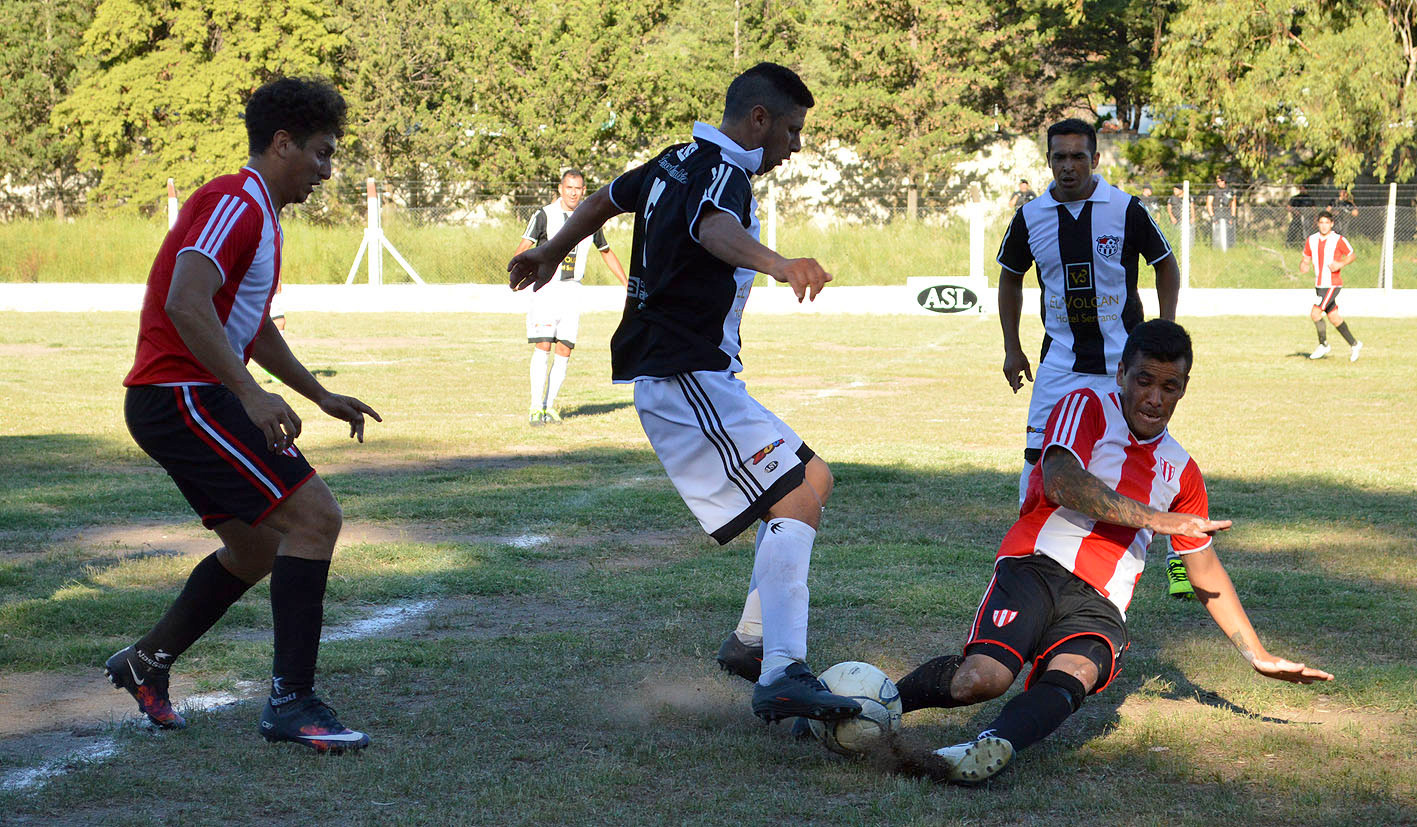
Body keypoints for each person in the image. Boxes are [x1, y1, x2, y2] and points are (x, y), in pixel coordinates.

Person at [508, 62, 861, 725]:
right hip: (682, 372)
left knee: (814, 477)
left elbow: (600, 201)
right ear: (758, 120)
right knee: (793, 502)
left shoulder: (677, 158)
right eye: (790, 130)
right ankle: (784, 671)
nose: (793, 145)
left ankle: (750, 643)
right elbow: (712, 230)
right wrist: (780, 262)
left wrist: (552, 250)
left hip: (694, 371)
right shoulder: (723, 175)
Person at [890, 320, 1333, 785]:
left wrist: (1256, 654)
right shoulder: (1085, 406)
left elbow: (1202, 566)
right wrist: (1156, 519)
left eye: (1169, 386)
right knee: (981, 680)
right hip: (1038, 565)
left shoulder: (1183, 470)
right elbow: (1062, 481)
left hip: (1102, 604)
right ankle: (876, 705)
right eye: (1144, 380)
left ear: (1184, 388)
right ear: (1121, 373)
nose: (1155, 398)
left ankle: (986, 747)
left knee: (1076, 671)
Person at [109, 77, 380, 753]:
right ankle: (292, 701)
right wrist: (249, 393)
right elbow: (186, 302)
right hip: (182, 394)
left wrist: (319, 393)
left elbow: (248, 326)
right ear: (281, 143)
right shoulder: (236, 200)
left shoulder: (260, 212)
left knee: (259, 546)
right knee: (315, 517)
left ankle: (146, 661)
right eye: (320, 153)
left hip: (191, 394)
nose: (326, 170)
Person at [996, 118, 1192, 599]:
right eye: (1059, 157)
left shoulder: (1125, 209)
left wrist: (1162, 332)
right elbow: (1009, 277)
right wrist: (1012, 346)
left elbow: (1166, 264)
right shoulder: (1031, 216)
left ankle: (1179, 559)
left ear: (1095, 159)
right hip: (1059, 363)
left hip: (1123, 365)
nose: (1068, 166)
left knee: (1148, 455)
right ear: (1048, 161)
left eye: (1078, 156)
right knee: (1038, 458)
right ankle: (1031, 556)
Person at [512, 169, 629, 425]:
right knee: (543, 345)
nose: (574, 193)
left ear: (583, 190)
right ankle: (535, 407)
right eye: (569, 188)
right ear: (560, 189)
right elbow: (524, 247)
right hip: (547, 288)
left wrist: (626, 283)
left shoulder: (590, 218)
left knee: (564, 348)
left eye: (578, 188)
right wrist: (520, 267)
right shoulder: (545, 215)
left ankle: (549, 406)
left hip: (572, 290)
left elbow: (606, 251)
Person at [1300, 210, 1362, 361]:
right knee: (1334, 317)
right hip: (1320, 285)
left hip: (1332, 284)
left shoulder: (1338, 239)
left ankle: (1323, 345)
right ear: (1317, 223)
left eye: (1327, 223)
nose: (1324, 226)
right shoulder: (1312, 240)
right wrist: (1304, 265)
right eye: (1321, 222)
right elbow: (1306, 259)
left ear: (1332, 224)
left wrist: (1341, 263)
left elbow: (1352, 255)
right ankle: (1355, 344)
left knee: (1315, 313)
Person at [1206, 175, 1236, 251]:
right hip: (1217, 213)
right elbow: (1209, 203)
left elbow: (1233, 203)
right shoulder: (1213, 191)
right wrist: (1212, 215)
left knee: (1229, 232)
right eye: (1217, 181)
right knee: (1216, 232)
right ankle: (1216, 249)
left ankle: (1229, 249)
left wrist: (1232, 215)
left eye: (1220, 181)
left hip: (1227, 213)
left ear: (1224, 181)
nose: (1219, 183)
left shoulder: (1230, 191)